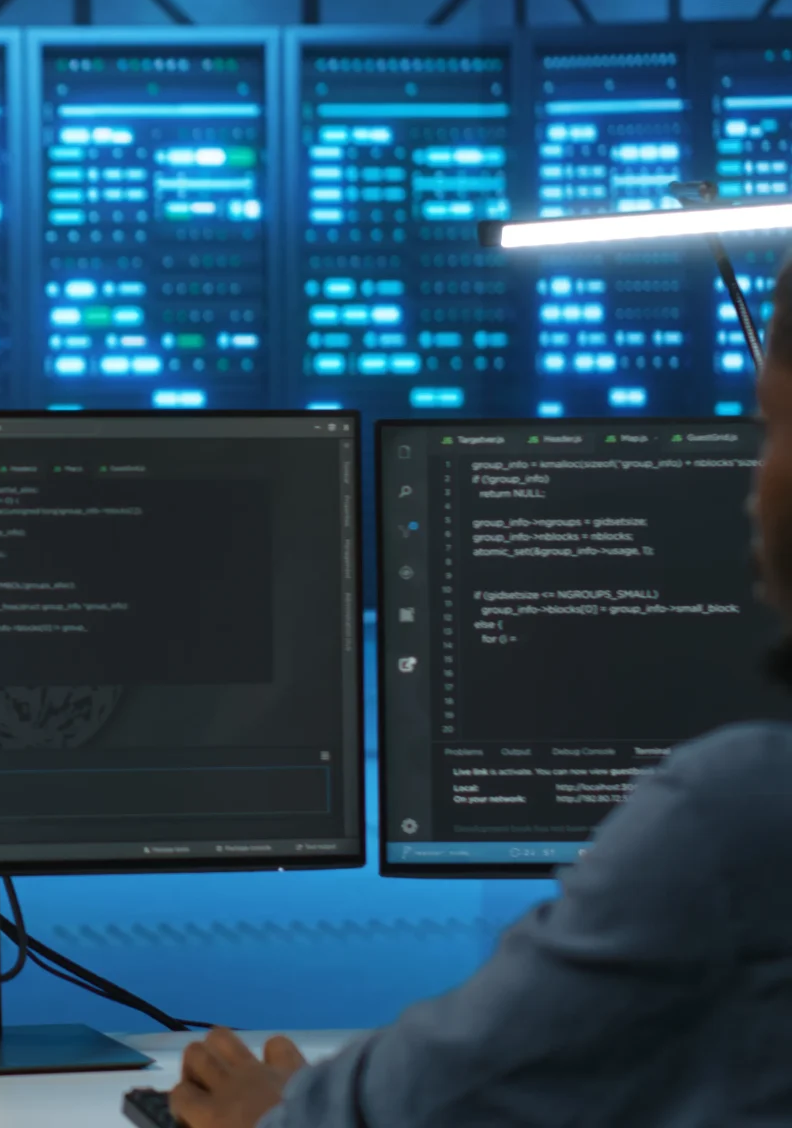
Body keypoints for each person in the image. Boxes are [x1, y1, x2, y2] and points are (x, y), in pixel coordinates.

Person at [170, 275, 792, 1126]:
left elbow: (426, 1104)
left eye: (772, 428)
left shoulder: (744, 813)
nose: (752, 485)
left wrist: (274, 1112)